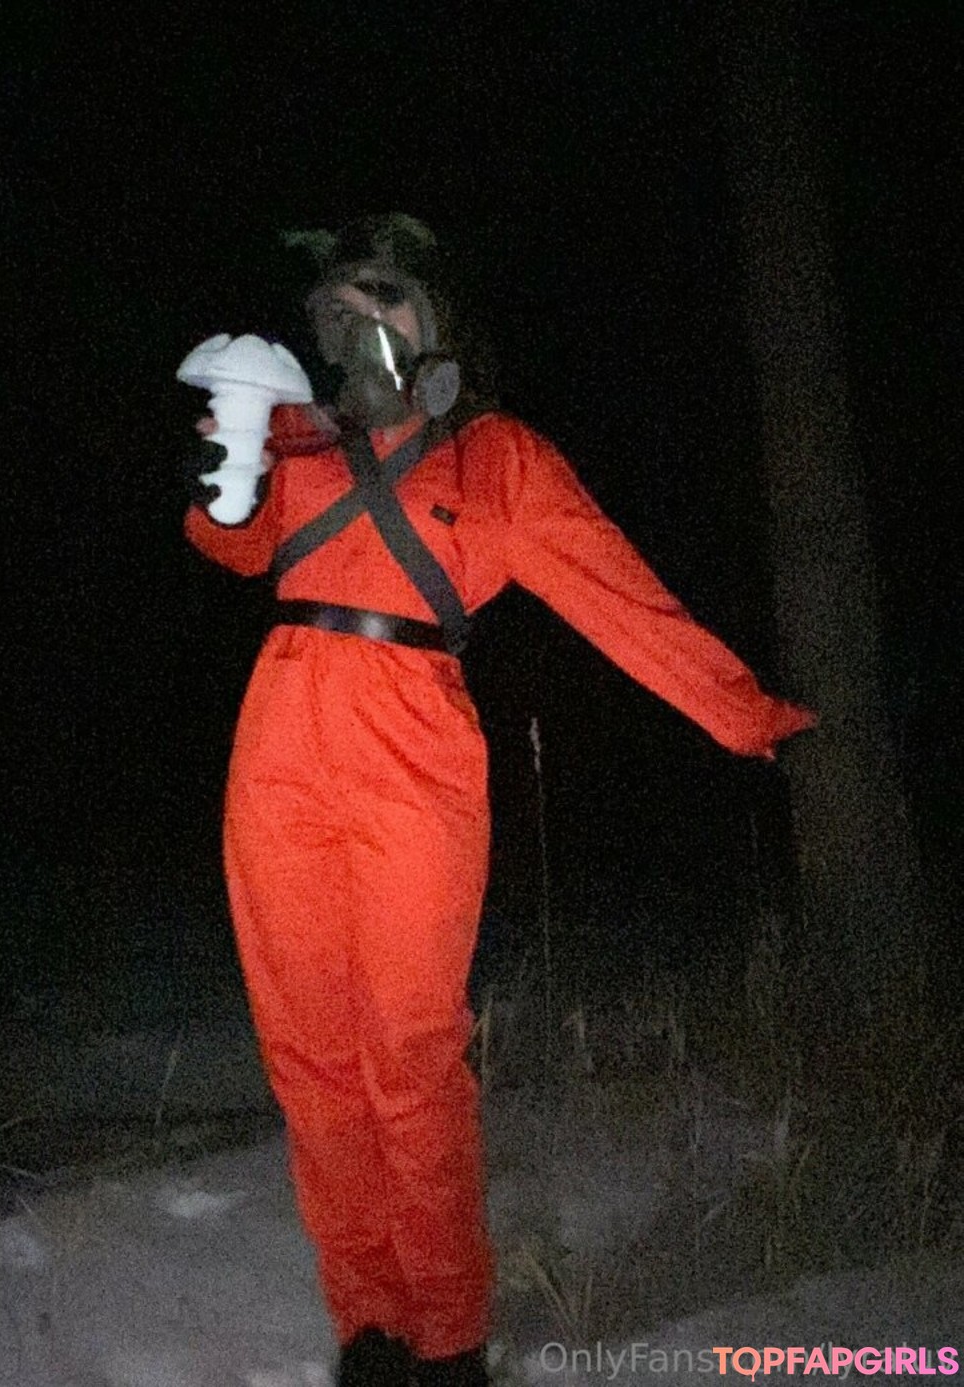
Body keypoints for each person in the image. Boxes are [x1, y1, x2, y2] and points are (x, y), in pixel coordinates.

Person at [183, 214, 815, 1387]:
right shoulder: (299, 436)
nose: (358, 324)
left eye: (384, 299)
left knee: (409, 1057)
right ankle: (369, 1321)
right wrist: (222, 477)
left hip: (415, 750)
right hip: (280, 738)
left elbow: (622, 597)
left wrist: (748, 715)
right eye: (339, 307)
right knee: (310, 1056)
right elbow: (236, 546)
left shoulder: (498, 458)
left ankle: (447, 1337)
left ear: (437, 321)